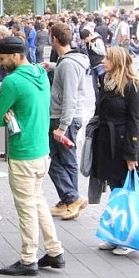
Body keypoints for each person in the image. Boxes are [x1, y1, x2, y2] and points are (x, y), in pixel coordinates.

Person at [0, 37, 65, 276]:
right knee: (38, 201)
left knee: (26, 207)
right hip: (42, 150)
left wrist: (5, 113)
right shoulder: (40, 73)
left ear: (15, 55)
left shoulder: (12, 82)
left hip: (23, 152)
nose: (0, 63)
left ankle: (28, 259)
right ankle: (55, 251)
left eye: (2, 58)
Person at [92, 47, 139, 256]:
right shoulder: (105, 81)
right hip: (108, 143)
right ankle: (115, 235)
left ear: (117, 62)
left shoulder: (133, 86)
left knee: (127, 193)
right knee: (116, 191)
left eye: (108, 58)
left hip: (125, 143)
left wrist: (132, 154)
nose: (103, 61)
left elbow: (136, 120)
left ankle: (128, 237)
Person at [45, 23, 89, 221]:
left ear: (54, 39)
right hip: (67, 117)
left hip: (63, 119)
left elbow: (70, 96)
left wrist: (62, 126)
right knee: (65, 159)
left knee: (56, 160)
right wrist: (52, 66)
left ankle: (72, 198)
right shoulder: (69, 61)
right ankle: (69, 200)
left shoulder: (68, 64)